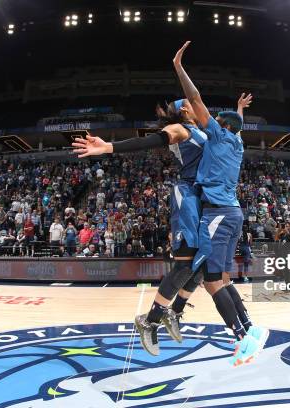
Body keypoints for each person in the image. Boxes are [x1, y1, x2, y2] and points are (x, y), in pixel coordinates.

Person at [72, 65, 254, 357]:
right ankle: (150, 321)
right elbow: (150, 141)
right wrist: (108, 148)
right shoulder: (179, 129)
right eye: (189, 104)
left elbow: (233, 129)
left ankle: (175, 311)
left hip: (204, 198)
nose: (196, 105)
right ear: (184, 111)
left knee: (200, 264)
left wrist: (238, 109)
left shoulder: (207, 131)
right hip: (188, 198)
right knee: (185, 264)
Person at [173, 41, 268, 365]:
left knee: (212, 282)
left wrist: (178, 66)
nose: (208, 120)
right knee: (224, 278)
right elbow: (236, 123)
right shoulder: (238, 143)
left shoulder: (216, 133)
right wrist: (240, 108)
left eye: (216, 120)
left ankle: (242, 340)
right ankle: (250, 330)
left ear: (221, 127)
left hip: (216, 215)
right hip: (234, 215)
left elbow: (195, 99)